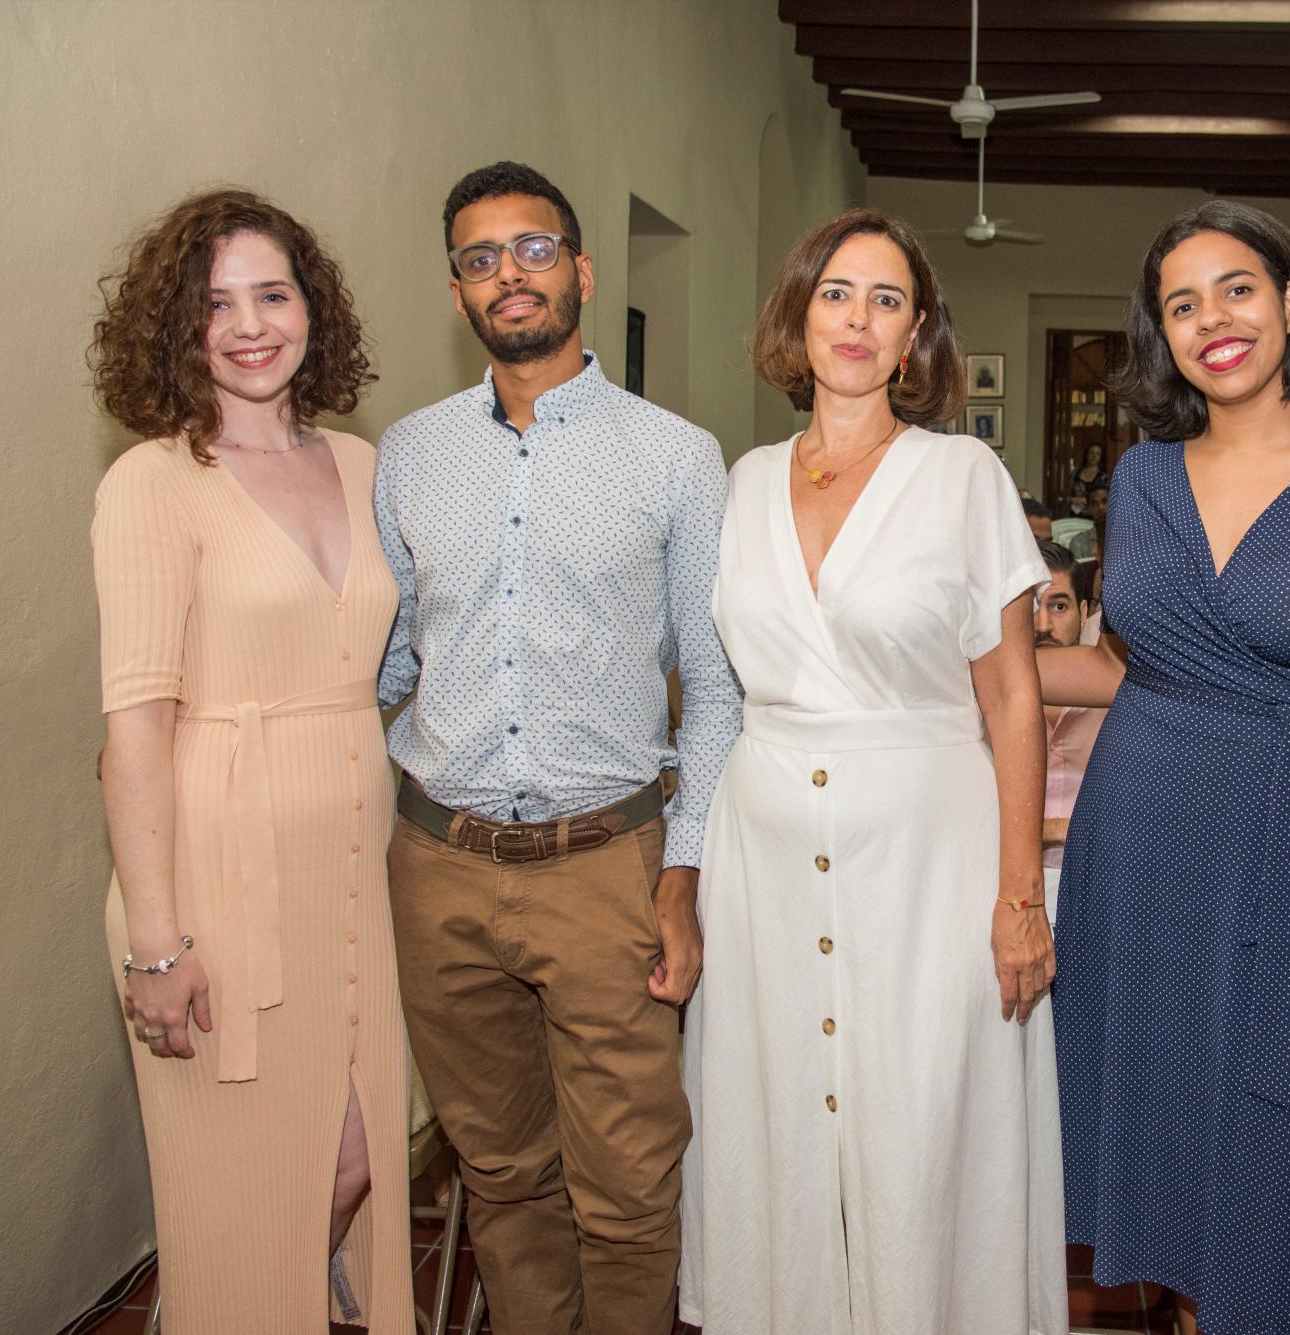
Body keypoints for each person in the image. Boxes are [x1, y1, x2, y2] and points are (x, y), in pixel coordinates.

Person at [1039, 199, 1290, 1335]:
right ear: (1159, 335)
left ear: (1287, 303)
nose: (1210, 319)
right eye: (1180, 304)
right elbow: (1142, 666)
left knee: (1270, 1157)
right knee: (1170, 1134)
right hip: (1143, 854)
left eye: (1233, 288)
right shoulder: (1141, 480)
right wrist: (965, 671)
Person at [678, 207, 1067, 1335]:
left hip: (929, 859)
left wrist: (1018, 896)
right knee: (776, 1126)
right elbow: (709, 680)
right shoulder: (739, 482)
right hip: (763, 863)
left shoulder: (961, 476)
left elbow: (1012, 695)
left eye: (886, 300)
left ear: (917, 339)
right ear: (797, 318)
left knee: (922, 1124)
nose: (857, 319)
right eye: (836, 293)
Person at [374, 161, 738, 1334]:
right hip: (441, 871)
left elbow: (716, 694)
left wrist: (679, 878)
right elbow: (377, 668)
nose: (508, 276)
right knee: (501, 1172)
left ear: (580, 272)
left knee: (628, 1185)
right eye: (480, 259)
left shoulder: (677, 456)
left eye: (532, 250)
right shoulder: (407, 456)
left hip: (607, 868)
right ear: (457, 291)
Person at [89, 189, 408, 1330]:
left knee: (357, 1155)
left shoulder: (368, 466)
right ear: (175, 330)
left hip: (352, 879)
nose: (249, 325)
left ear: (311, 307)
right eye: (213, 304)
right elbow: (134, 724)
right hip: (218, 882)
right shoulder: (153, 481)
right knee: (241, 1190)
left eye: (272, 293)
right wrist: (157, 944)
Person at [1034, 540, 1104, 905]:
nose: (1043, 625)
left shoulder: (1116, 693)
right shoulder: (982, 700)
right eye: (1030, 606)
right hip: (1007, 883)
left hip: (1100, 882)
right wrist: (1059, 829)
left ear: (1083, 610)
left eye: (1058, 606)